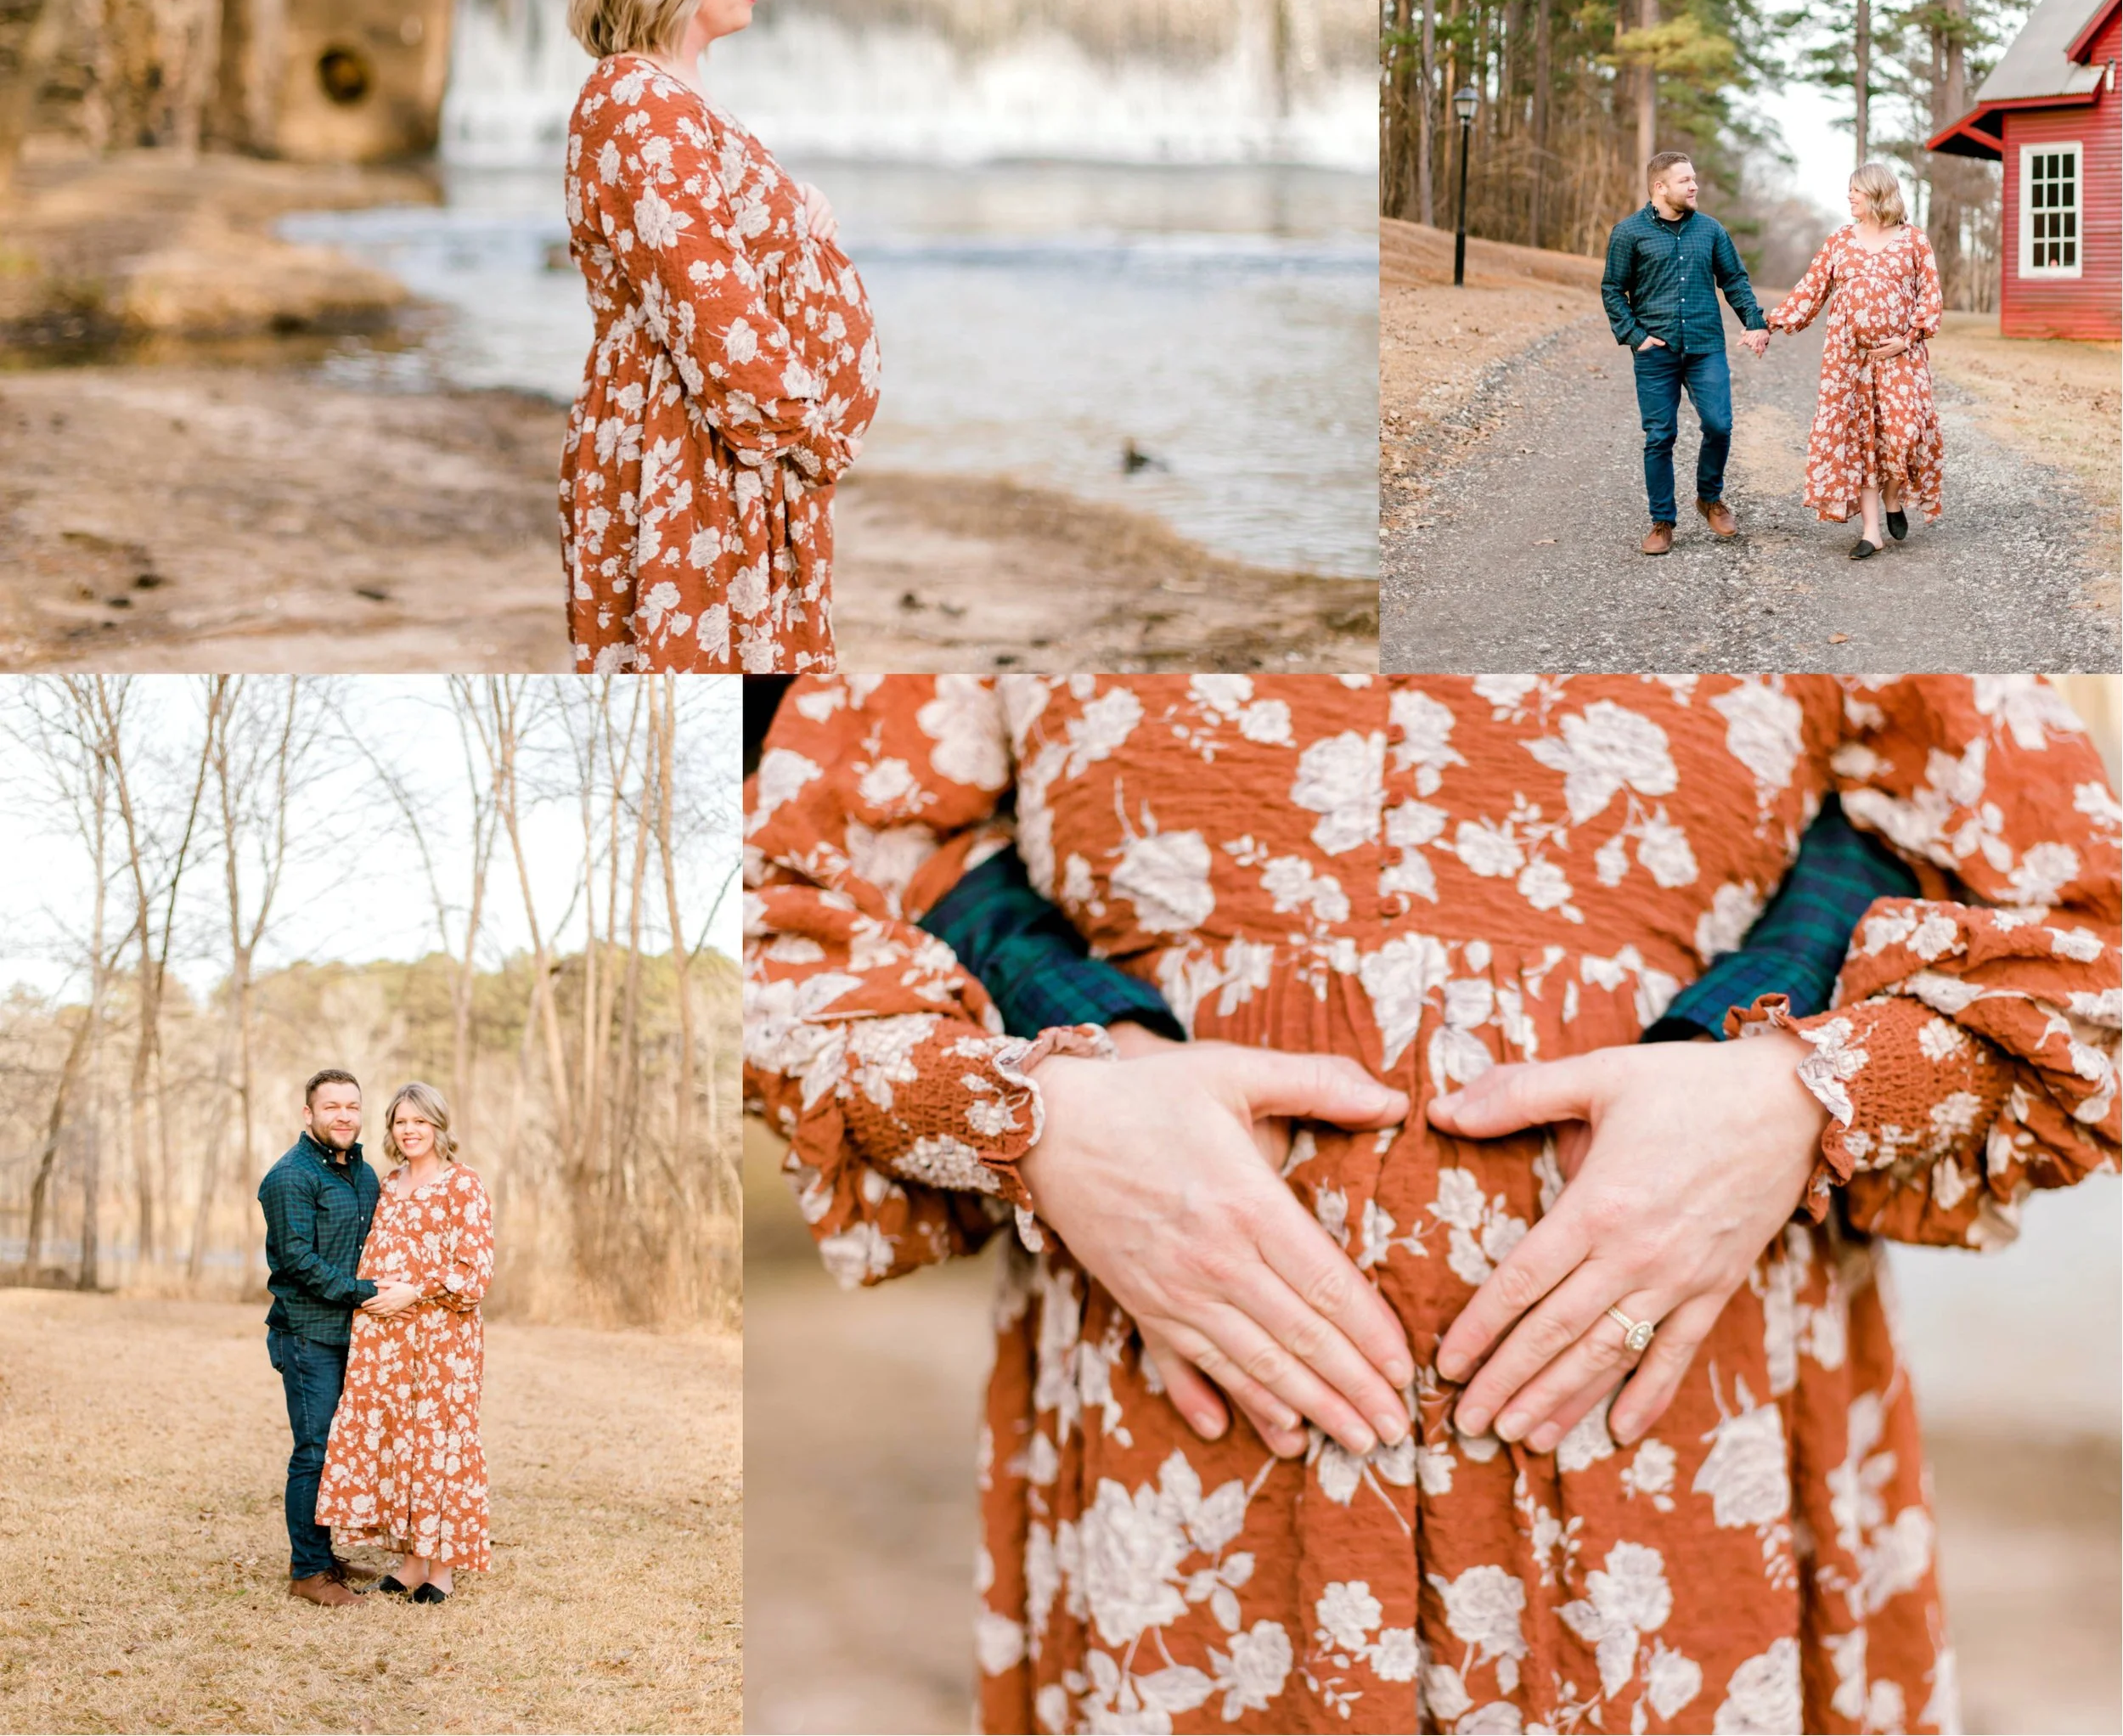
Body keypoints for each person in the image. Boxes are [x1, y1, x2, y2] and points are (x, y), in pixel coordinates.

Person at [745, 674, 2119, 1734]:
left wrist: (1795, 1093)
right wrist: (1046, 1113)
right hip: (1187, 1496)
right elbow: (792, 909)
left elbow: (2083, 949)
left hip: (1684, 1473)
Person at [559, 0, 881, 674]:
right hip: (696, 451)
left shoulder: (673, 96)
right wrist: (810, 436)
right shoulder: (639, 102)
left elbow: (705, 240)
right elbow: (710, 307)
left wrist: (795, 217)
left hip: (733, 448)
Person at [316, 1081, 496, 1601]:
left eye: (420, 1121)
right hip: (386, 1342)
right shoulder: (388, 1184)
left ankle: (442, 1569)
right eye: (401, 1122)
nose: (410, 1130)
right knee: (402, 1442)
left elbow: (475, 1271)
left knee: (440, 1441)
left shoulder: (463, 1184)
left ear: (439, 1126)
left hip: (442, 1337)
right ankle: (412, 1562)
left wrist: (415, 1291)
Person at [256, 1069, 418, 1608]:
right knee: (315, 1450)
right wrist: (367, 1292)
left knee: (341, 1449)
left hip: (356, 1336)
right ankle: (308, 1572)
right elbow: (298, 1262)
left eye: (352, 1106)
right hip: (308, 1334)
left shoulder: (364, 1174)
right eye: (331, 1107)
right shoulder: (290, 1177)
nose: (344, 1116)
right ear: (309, 1114)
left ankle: (323, 1557)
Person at [1767, 161, 1946, 560]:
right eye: (1849, 190)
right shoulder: (1839, 241)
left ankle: (1893, 496)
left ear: (1878, 193)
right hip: (1848, 360)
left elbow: (1931, 298)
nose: (1849, 196)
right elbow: (1810, 289)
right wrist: (1770, 324)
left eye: (1856, 190)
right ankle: (1871, 532)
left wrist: (1906, 339)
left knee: (1905, 433)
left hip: (1902, 356)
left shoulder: (1914, 240)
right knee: (1860, 439)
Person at [1601, 152, 1770, 555]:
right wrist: (1635, 336)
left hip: (1705, 346)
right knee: (1660, 436)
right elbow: (1613, 289)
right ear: (1660, 187)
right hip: (1655, 352)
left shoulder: (1710, 230)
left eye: (1694, 179)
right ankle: (1662, 521)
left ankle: (1709, 498)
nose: (1694, 186)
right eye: (1685, 181)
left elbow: (1734, 280)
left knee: (1719, 425)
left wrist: (1755, 322)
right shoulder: (1629, 233)